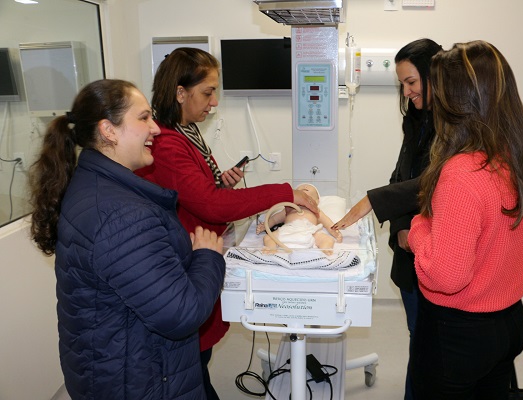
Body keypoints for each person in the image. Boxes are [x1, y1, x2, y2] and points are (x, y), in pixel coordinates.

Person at [135, 47, 319, 399]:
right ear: (180, 92)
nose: (214, 102)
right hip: (183, 259)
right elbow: (209, 205)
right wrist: (285, 192)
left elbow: (193, 192)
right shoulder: (168, 143)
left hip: (198, 248)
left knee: (195, 363)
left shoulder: (186, 131)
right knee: (189, 364)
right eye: (207, 92)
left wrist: (220, 182)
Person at [28, 79, 226, 400]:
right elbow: (180, 314)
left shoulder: (95, 186)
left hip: (119, 369)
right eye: (144, 118)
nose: (156, 129)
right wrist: (208, 257)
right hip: (139, 381)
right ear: (108, 130)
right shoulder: (121, 214)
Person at [406, 40, 523, 399]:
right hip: (509, 321)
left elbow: (446, 277)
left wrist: (417, 228)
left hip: (457, 335)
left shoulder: (462, 173)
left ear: (457, 103)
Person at [332, 38, 442, 400]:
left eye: (411, 82)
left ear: (435, 74)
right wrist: (401, 227)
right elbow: (401, 177)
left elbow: (435, 182)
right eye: (402, 84)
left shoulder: (454, 128)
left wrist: (372, 201)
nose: (407, 92)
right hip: (410, 246)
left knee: (431, 343)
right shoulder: (416, 120)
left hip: (435, 248)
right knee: (419, 335)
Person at [256, 183, 342, 255]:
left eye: (309, 189)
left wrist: (335, 232)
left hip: (310, 231)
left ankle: (325, 250)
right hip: (288, 230)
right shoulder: (288, 209)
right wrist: (265, 225)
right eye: (299, 189)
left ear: (317, 201)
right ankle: (271, 250)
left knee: (327, 239)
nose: (305, 186)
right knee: (268, 237)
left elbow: (328, 223)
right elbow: (275, 219)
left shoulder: (316, 211)